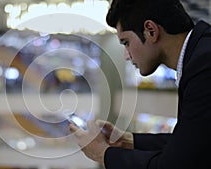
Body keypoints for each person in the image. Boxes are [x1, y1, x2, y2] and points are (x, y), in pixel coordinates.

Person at [69, 0, 211, 168]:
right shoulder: (199, 55)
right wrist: (128, 141)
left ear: (151, 31)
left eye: (126, 42)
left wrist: (103, 154)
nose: (126, 56)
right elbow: (192, 143)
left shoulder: (204, 66)